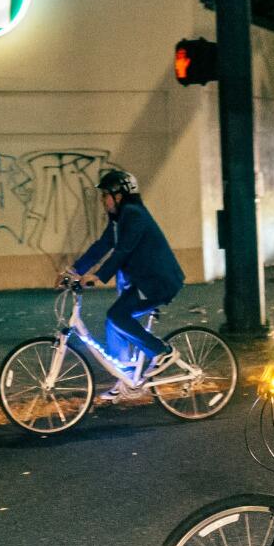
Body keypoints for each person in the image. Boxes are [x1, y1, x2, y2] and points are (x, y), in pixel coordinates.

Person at [66, 166, 185, 396]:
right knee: (114, 322)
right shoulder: (119, 220)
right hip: (144, 282)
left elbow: (123, 250)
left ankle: (161, 351)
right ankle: (125, 380)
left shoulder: (133, 214)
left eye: (105, 195)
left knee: (117, 316)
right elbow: (102, 246)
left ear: (119, 196)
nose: (102, 200)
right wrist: (73, 271)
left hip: (157, 282)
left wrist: (98, 276)